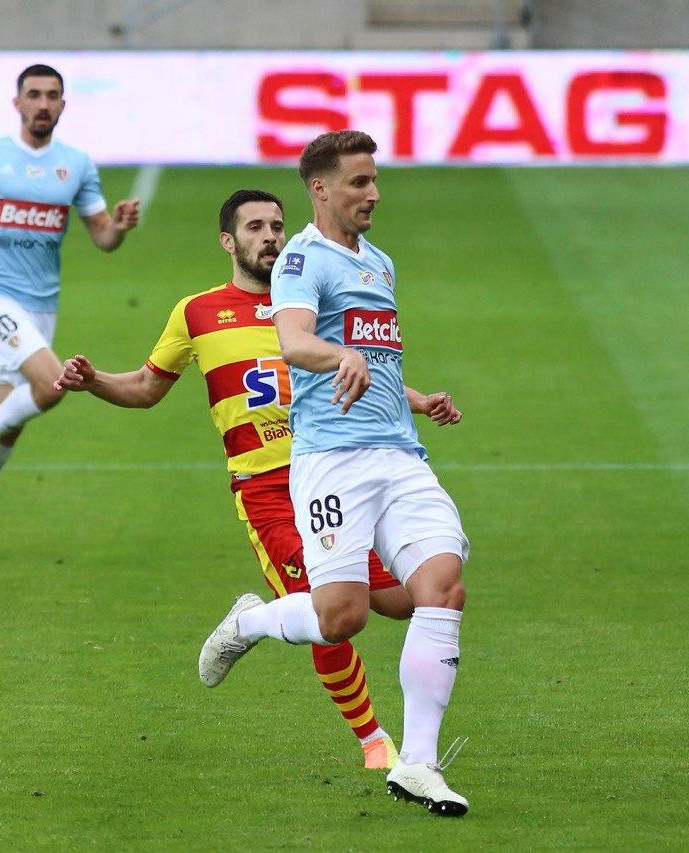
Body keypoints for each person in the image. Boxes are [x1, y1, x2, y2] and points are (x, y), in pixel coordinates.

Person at [52, 189, 461, 769]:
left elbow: (364, 369)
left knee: (399, 602)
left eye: (276, 225)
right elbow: (145, 388)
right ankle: (375, 742)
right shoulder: (197, 313)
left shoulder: (311, 296)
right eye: (255, 227)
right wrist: (93, 380)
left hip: (335, 471)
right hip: (268, 488)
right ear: (228, 241)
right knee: (328, 612)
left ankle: (251, 621)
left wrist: (418, 401)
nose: (270, 236)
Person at [198, 132, 473, 816]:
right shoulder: (300, 259)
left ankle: (418, 763)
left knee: (439, 587)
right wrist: (336, 356)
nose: (373, 193)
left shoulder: (379, 262)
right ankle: (253, 621)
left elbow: (376, 357)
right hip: (332, 462)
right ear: (320, 189)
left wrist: (413, 399)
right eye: (359, 182)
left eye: (374, 180)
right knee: (342, 617)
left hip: (399, 456)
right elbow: (293, 340)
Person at [0, 63, 140, 556]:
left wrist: (119, 226)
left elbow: (103, 238)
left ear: (63, 104)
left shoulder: (76, 165)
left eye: (52, 95)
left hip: (41, 305)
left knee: (10, 424)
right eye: (34, 94)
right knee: (51, 385)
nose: (43, 103)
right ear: (16, 102)